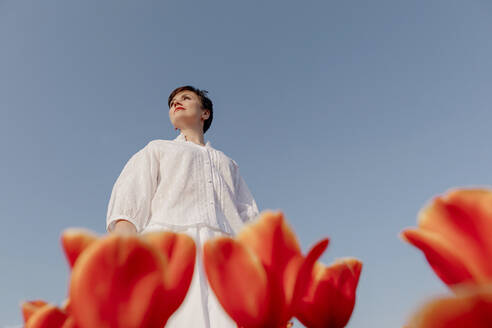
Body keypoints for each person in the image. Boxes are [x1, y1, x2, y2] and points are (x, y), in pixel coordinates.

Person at [106, 85, 260, 327]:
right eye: (172, 102)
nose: (176, 103)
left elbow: (248, 215)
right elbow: (130, 199)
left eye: (186, 98)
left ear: (205, 113)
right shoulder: (158, 149)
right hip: (169, 249)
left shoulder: (229, 164)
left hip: (226, 257)